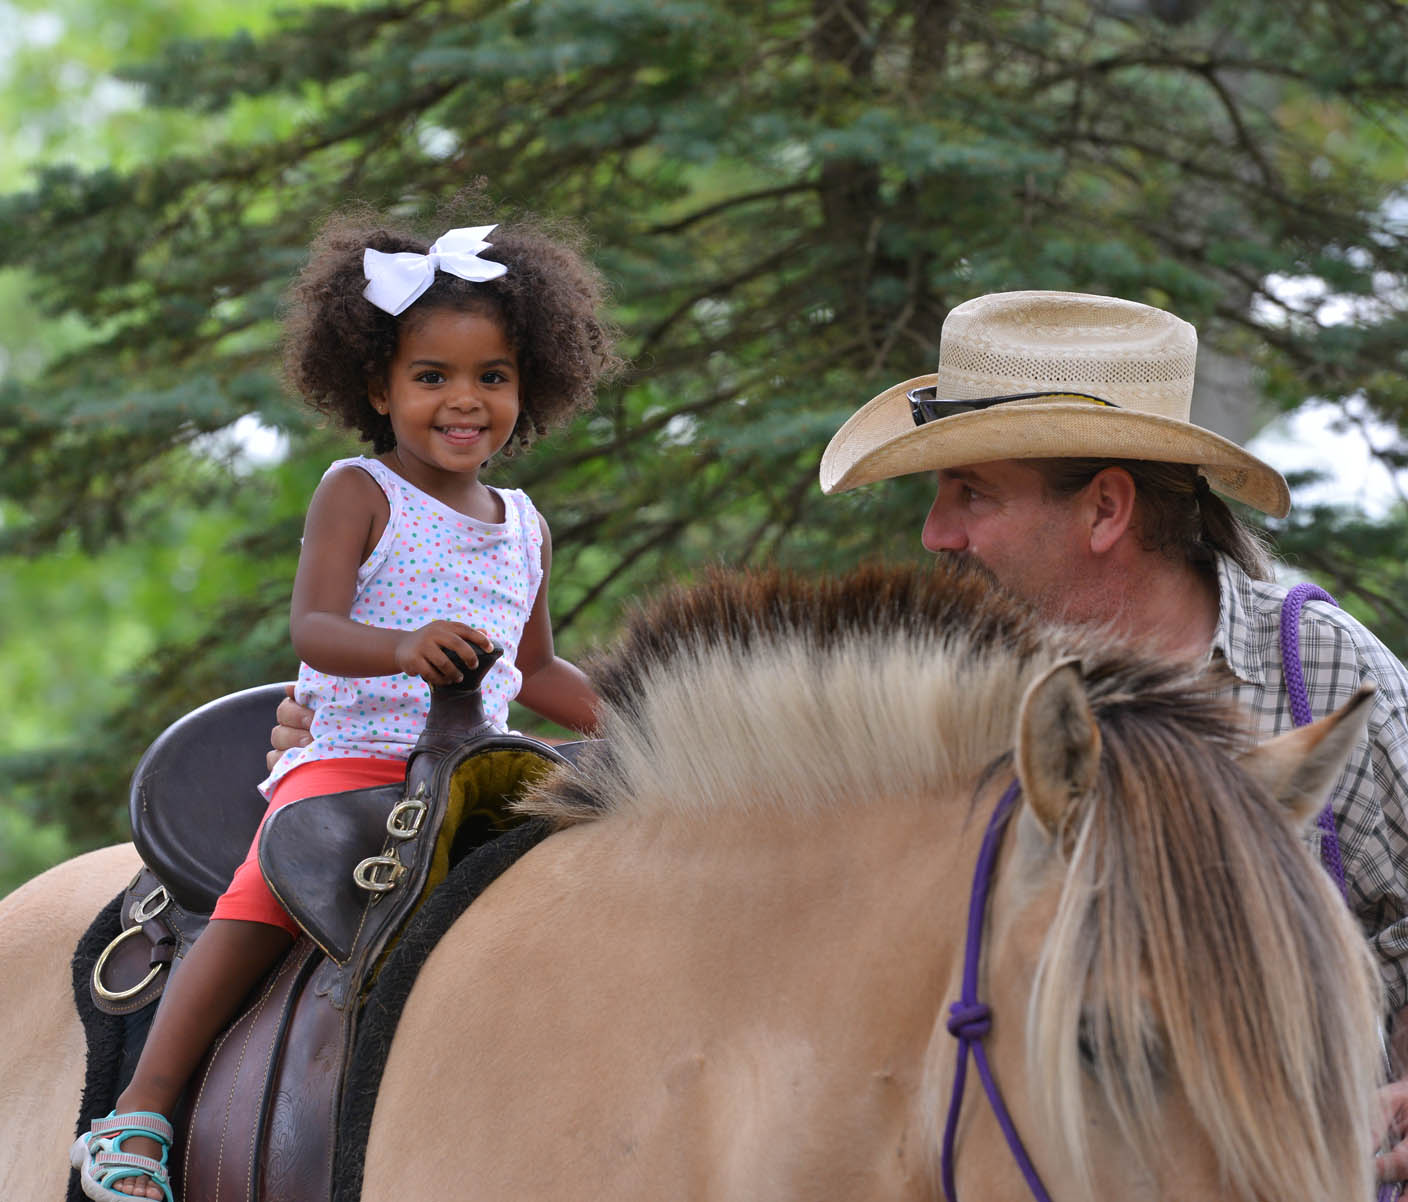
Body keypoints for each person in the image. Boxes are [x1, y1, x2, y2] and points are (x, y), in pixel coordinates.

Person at [270, 287, 1408, 1178]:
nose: (935, 532)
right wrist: (386, 721)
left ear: (1106, 508)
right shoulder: (946, 710)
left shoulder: (1322, 678)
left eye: (971, 491)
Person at [73, 215, 618, 1202]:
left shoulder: (526, 523)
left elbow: (535, 667)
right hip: (354, 753)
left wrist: (625, 719)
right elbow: (318, 623)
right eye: (432, 376)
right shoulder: (360, 490)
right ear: (378, 387)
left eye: (493, 376)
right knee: (267, 888)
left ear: (528, 384)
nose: (465, 399)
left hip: (480, 763)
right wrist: (404, 647)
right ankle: (140, 1111)